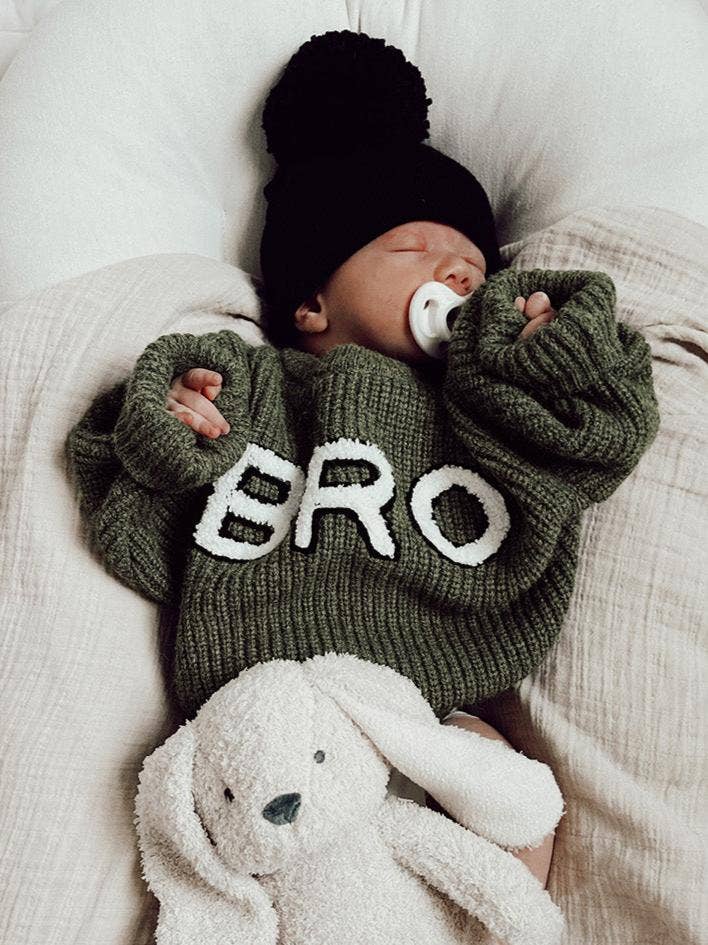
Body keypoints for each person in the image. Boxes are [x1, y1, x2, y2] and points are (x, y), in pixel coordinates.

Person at [65, 31, 659, 893]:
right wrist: (176, 427)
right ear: (311, 299)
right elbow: (131, 518)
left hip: (436, 701)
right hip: (263, 707)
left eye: (474, 263)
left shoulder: (482, 402)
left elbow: (596, 441)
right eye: (415, 248)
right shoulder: (256, 384)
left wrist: (550, 356)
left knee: (516, 800)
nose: (458, 271)